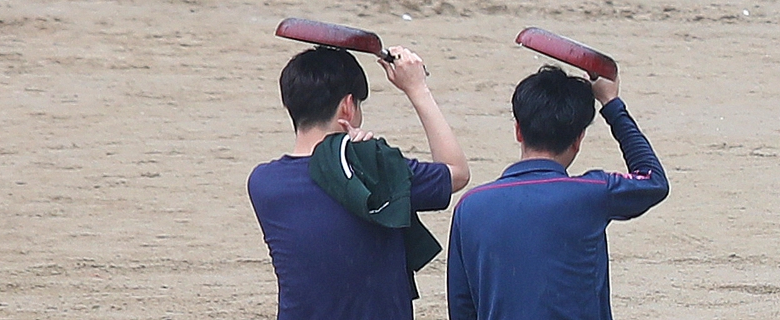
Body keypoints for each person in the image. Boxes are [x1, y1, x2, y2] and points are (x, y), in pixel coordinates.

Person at [248, 45, 470, 320]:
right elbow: (456, 172)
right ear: (348, 107)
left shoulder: (263, 184)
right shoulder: (375, 169)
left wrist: (353, 156)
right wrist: (417, 90)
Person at [447, 65, 669, 320]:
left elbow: (462, 306)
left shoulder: (470, 206)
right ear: (578, 139)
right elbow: (653, 180)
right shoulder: (593, 194)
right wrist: (612, 103)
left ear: (519, 130)